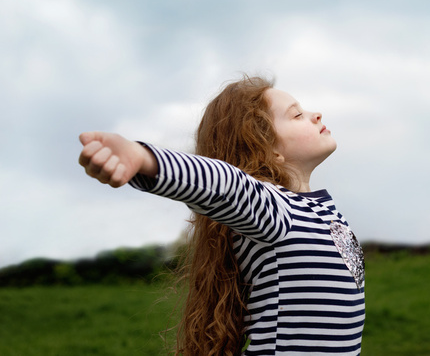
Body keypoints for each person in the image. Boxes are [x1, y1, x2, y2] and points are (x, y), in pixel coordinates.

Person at [78, 76, 365, 356]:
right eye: (297, 115)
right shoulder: (276, 210)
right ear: (268, 149)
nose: (316, 115)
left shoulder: (324, 210)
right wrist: (143, 158)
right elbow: (224, 183)